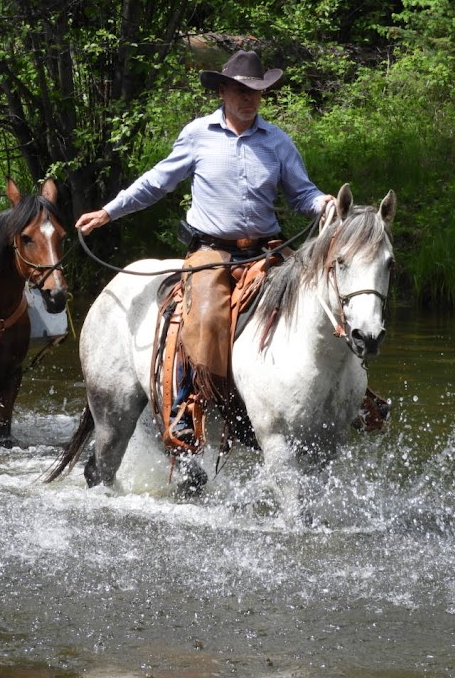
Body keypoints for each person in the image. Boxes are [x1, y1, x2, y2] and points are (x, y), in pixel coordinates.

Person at [76, 49, 334, 451]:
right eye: (240, 91)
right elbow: (156, 182)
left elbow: (302, 192)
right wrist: (110, 211)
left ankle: (348, 396)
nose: (249, 99)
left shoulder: (278, 141)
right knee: (204, 317)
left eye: (256, 92)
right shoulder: (198, 135)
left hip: (266, 251)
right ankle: (185, 405)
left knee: (322, 297)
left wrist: (324, 204)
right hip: (211, 251)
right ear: (223, 92)